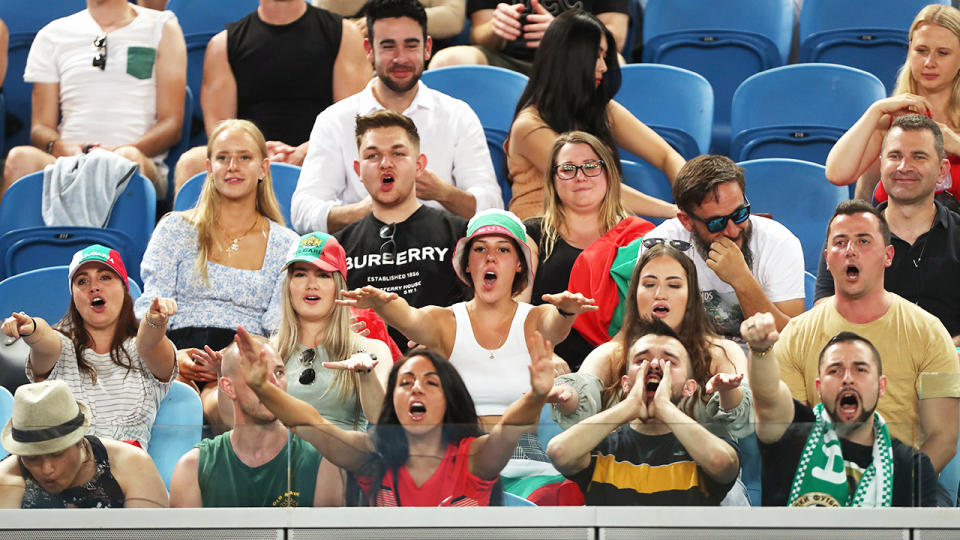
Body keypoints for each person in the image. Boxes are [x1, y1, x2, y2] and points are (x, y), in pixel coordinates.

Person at [236, 325, 553, 506]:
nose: (416, 389)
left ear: (449, 400)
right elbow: (311, 423)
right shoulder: (372, 456)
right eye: (405, 383)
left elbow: (509, 429)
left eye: (431, 383)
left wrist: (538, 396)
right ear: (393, 401)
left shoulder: (473, 457)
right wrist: (263, 389)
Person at [339, 209, 596, 428]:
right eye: (480, 249)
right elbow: (408, 317)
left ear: (519, 264)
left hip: (528, 463)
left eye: (503, 249)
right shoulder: (444, 321)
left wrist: (566, 312)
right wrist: (379, 304)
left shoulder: (535, 318)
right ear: (467, 264)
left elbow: (555, 326)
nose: (490, 257)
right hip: (460, 459)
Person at [776, 199, 960, 474]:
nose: (851, 251)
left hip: (906, 484)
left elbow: (943, 439)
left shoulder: (929, 331)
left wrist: (894, 490)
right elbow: (790, 437)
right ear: (827, 258)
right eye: (840, 243)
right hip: (821, 483)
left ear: (888, 255)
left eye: (864, 242)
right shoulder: (795, 335)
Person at [135, 119, 299, 424]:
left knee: (229, 398)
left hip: (242, 355)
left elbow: (279, 329)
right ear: (209, 168)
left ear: (264, 168)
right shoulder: (175, 228)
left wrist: (229, 361)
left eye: (244, 157)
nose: (232, 166)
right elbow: (150, 306)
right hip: (169, 351)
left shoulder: (287, 244)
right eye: (223, 158)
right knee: (176, 400)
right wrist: (172, 357)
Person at [292, 0, 502, 234]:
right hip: (360, 258)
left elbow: (492, 207)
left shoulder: (457, 115)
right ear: (369, 50)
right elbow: (303, 212)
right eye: (388, 46)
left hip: (441, 257)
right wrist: (366, 210)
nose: (400, 58)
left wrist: (443, 193)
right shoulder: (334, 120)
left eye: (411, 46)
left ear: (427, 48)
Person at [549, 243, 751, 442]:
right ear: (635, 295)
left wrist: (727, 392)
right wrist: (566, 397)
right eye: (649, 284)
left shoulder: (722, 351)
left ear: (691, 297)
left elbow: (741, 417)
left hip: (700, 472)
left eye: (673, 285)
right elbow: (582, 399)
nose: (660, 294)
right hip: (620, 471)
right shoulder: (611, 354)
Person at [170, 0, 372, 193]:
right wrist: (255, 154)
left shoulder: (344, 34)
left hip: (322, 154)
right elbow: (220, 129)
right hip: (247, 158)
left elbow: (352, 120)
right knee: (191, 163)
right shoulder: (222, 45)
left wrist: (305, 151)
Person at [503, 9, 682, 221]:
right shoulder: (528, 126)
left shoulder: (602, 109)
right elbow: (592, 186)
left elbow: (666, 156)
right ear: (569, 58)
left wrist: (692, 198)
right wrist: (673, 212)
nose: (604, 67)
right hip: (543, 237)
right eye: (596, 55)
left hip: (596, 233)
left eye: (605, 57)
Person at [744, 313, 938, 507]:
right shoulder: (794, 432)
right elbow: (768, 397)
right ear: (818, 387)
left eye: (860, 369)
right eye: (834, 370)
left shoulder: (911, 466)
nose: (847, 378)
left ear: (881, 386)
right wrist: (761, 350)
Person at [2, 0, 186, 201]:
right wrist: (58, 147)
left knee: (126, 159)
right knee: (20, 159)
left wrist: (116, 153)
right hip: (67, 162)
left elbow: (171, 125)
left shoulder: (163, 27)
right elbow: (40, 128)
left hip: (136, 158)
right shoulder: (52, 34)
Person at [546, 319, 741, 505]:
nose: (655, 365)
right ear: (625, 383)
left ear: (689, 388)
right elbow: (559, 452)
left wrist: (664, 407)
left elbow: (722, 463)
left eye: (669, 362)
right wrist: (629, 406)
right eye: (642, 360)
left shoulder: (706, 443)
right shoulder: (604, 448)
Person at [1, 245, 177, 448]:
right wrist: (29, 327)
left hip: (124, 470)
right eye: (82, 281)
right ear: (73, 296)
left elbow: (148, 342)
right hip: (61, 467)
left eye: (105, 277)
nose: (94, 287)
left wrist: (154, 319)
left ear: (124, 288)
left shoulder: (144, 350)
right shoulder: (61, 348)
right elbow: (45, 339)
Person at [816, 114, 960, 342]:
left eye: (918, 157)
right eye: (895, 156)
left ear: (942, 171)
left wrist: (937, 353)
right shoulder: (846, 233)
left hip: (950, 368)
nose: (904, 166)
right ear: (882, 163)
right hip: (867, 366)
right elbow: (824, 309)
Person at [334, 110, 467, 352]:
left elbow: (479, 312)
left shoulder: (459, 233)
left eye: (398, 153)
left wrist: (442, 337)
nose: (385, 164)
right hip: (362, 370)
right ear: (358, 170)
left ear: (419, 165)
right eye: (373, 155)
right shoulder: (338, 247)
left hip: (441, 366)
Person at [643, 154, 805, 338]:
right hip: (689, 358)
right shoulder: (661, 245)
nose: (733, 230)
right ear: (686, 220)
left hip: (761, 360)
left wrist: (742, 280)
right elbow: (653, 332)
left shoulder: (779, 242)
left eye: (739, 214)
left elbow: (793, 342)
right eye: (716, 223)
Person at [826, 4, 960, 210]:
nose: (929, 62)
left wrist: (956, 145)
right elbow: (837, 173)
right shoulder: (891, 117)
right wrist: (875, 111)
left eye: (942, 53)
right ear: (909, 51)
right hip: (892, 237)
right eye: (921, 50)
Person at [169, 336, 329, 507]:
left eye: (279, 372)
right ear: (228, 387)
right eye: (256, 374)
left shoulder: (321, 461)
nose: (273, 384)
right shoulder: (192, 468)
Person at [520, 130, 632, 369]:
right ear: (552, 179)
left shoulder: (636, 236)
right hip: (548, 366)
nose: (580, 177)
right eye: (567, 169)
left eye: (591, 166)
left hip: (620, 367)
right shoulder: (532, 234)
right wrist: (545, 354)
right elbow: (514, 312)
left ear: (608, 174)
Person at [274, 232, 393, 431]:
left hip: (344, 457)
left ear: (339, 286)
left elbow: (380, 416)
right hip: (283, 459)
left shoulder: (372, 349)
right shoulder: (267, 352)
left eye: (323, 275)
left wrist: (366, 374)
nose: (311, 285)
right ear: (288, 286)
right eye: (301, 274)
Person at [0, 380, 169, 508]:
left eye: (57, 454)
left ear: (79, 440)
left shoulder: (132, 464)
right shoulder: (5, 480)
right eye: (32, 458)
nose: (47, 469)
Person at [428, 0, 628, 75]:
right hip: (507, 59)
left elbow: (616, 37)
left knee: (616, 63)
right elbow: (479, 34)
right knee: (448, 61)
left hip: (573, 60)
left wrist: (567, 33)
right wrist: (496, 28)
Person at [313, 0, 466, 42]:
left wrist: (391, 21)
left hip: (425, 52)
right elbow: (324, 18)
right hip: (359, 54)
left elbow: (453, 18)